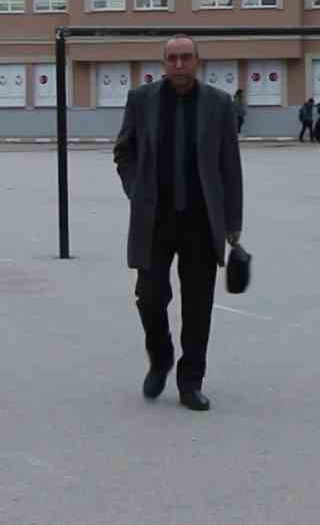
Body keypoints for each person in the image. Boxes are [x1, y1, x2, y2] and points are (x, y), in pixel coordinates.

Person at [112, 35, 243, 413]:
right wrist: (137, 189)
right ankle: (161, 356)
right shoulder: (142, 101)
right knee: (149, 297)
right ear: (163, 63)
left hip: (202, 221)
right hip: (155, 218)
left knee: (198, 305)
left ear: (198, 62)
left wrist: (232, 221)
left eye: (186, 58)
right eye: (173, 58)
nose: (180, 64)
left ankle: (191, 381)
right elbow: (124, 151)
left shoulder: (218, 104)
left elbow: (229, 167)